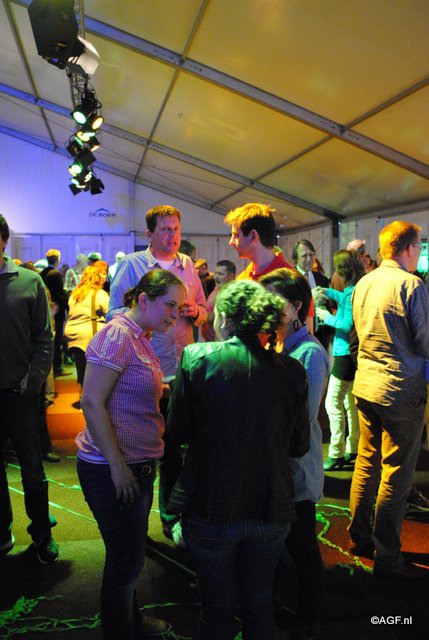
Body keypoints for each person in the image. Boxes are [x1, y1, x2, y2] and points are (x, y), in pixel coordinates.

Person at [166, 279, 310, 640]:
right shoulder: (292, 371)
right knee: (259, 604)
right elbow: (299, 446)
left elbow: (177, 433)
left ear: (224, 318)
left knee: (216, 609)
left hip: (211, 505)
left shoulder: (197, 358)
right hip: (271, 505)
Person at [76, 269, 186, 640]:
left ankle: (131, 622)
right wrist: (118, 467)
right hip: (114, 468)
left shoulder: (139, 335)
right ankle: (121, 630)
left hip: (132, 464)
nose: (176, 314)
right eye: (170, 305)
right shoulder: (118, 335)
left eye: (179, 306)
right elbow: (91, 402)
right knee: (125, 562)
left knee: (128, 557)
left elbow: (123, 389)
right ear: (143, 300)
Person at [107, 205, 207, 543]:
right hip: (147, 371)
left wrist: (195, 311)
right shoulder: (132, 265)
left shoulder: (187, 265)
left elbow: (204, 310)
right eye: (165, 229)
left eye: (176, 228)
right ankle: (135, 521)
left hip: (183, 369)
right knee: (145, 448)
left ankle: (170, 516)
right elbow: (114, 313)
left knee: (176, 449)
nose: (172, 235)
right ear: (149, 234)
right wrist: (147, 317)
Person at [348, 220, 429, 579]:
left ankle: (359, 536)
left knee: (367, 464)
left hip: (367, 385)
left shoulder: (365, 282)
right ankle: (388, 555)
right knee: (396, 474)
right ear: (409, 248)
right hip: (400, 390)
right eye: (419, 247)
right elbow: (425, 340)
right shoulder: (411, 284)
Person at [260, 268, 329, 638]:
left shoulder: (309, 353)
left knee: (302, 548)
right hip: (280, 465)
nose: (267, 308)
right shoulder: (279, 344)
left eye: (275, 301)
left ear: (298, 305)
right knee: (280, 547)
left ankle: (309, 619)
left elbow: (302, 418)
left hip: (297, 467)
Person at [0, 214, 59, 564]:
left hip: (20, 395)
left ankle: (42, 534)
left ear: (3, 241)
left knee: (33, 471)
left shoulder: (28, 281)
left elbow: (44, 338)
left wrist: (33, 380)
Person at [315, 250, 364, 471]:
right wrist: (328, 292)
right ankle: (353, 448)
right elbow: (344, 300)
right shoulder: (354, 289)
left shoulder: (352, 292)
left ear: (344, 270)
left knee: (332, 402)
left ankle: (336, 453)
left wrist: (327, 318)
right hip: (350, 355)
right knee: (349, 403)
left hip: (345, 355)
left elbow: (346, 323)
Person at [65, 266, 109, 408]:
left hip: (74, 335)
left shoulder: (74, 294)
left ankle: (82, 400)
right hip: (91, 335)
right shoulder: (99, 294)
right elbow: (110, 313)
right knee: (97, 371)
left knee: (81, 369)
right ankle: (96, 402)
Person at [225, 202, 293, 280]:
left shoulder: (291, 281)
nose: (231, 242)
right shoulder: (243, 278)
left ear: (253, 236)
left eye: (236, 235)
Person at [292, 239, 333, 349]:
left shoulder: (322, 279)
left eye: (311, 255)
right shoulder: (290, 279)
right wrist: (311, 300)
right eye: (304, 256)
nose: (309, 259)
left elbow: (327, 307)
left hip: (321, 337)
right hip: (299, 336)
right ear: (296, 259)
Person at [40, 249, 69, 376]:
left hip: (45, 311)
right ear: (57, 259)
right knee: (57, 340)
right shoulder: (56, 275)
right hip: (57, 312)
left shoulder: (42, 274)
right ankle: (57, 367)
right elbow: (60, 295)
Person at [201, 259, 236, 342]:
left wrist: (200, 314)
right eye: (215, 273)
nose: (215, 277)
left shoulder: (231, 294)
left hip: (222, 342)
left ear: (231, 276)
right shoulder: (218, 289)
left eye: (220, 274)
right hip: (212, 340)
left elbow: (215, 317)